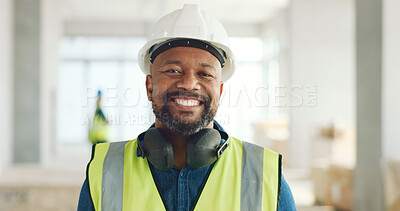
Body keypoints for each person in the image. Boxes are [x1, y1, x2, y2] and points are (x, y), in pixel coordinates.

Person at [78, 4, 296, 211]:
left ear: (219, 92)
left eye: (205, 74)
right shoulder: (105, 172)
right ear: (149, 86)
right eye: (173, 70)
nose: (189, 83)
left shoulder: (263, 175)